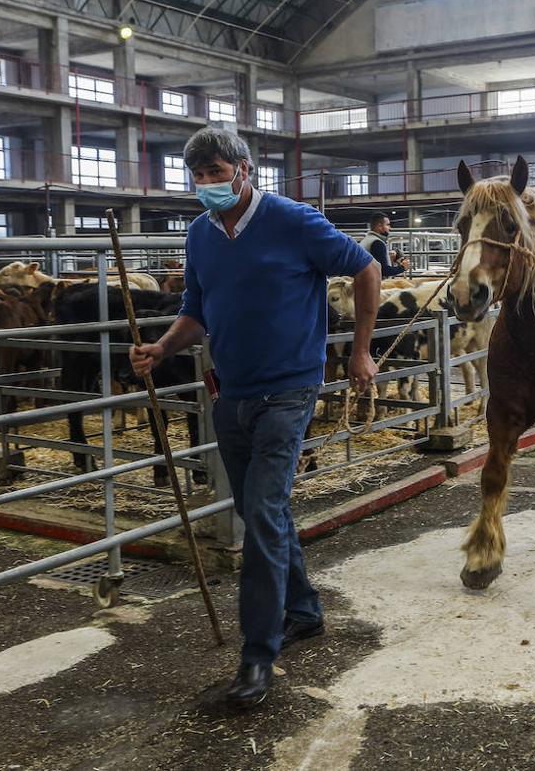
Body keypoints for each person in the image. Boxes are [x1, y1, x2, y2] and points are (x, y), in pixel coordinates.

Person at [130, 127, 381, 708]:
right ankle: (303, 610)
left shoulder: (293, 221)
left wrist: (361, 349)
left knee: (262, 513)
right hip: (231, 393)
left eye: (217, 173)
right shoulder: (200, 235)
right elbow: (197, 309)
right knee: (255, 508)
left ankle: (257, 655)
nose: (208, 185)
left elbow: (365, 267)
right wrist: (163, 349)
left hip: (289, 390)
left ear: (245, 169)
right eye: (198, 176)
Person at [360, 212, 409, 278]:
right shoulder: (377, 243)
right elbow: (384, 271)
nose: (390, 228)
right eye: (387, 225)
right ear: (379, 226)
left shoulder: (367, 240)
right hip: (372, 284)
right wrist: (403, 267)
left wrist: (388, 257)